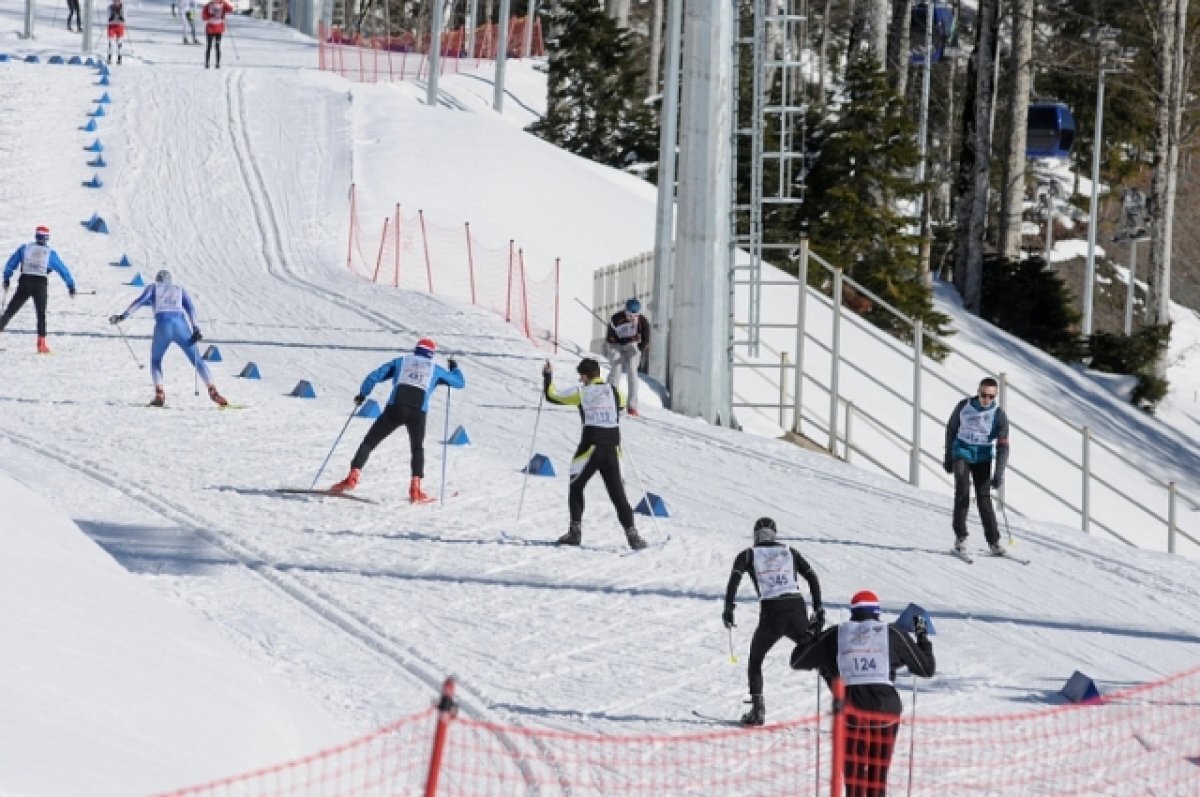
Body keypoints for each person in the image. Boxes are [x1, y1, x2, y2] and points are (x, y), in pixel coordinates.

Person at [791, 590, 935, 797]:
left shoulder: (836, 633)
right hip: (886, 709)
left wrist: (812, 632)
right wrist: (922, 637)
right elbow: (926, 668)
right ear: (877, 612)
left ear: (853, 612)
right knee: (877, 777)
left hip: (851, 710)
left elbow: (798, 660)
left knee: (854, 776)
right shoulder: (891, 633)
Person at [329, 338, 465, 502]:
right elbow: (459, 383)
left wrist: (363, 395)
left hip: (395, 408)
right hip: (418, 412)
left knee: (370, 442)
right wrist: (454, 368)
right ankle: (415, 488)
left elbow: (374, 376)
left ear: (416, 350)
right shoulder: (435, 369)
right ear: (431, 354)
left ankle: (352, 476)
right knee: (417, 448)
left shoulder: (401, 361)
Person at [723, 517, 824, 726]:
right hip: (797, 609)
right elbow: (812, 576)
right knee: (819, 655)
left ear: (755, 535)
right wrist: (818, 608)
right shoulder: (789, 551)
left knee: (756, 658)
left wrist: (728, 609)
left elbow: (734, 579)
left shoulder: (749, 554)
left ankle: (758, 709)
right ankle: (848, 704)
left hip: (772, 612)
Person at [543, 357, 646, 550]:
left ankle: (575, 532)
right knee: (618, 495)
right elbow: (621, 407)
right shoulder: (615, 391)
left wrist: (547, 375)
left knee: (576, 486)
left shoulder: (581, 392)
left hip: (590, 448)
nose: (581, 381)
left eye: (581, 377)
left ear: (584, 376)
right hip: (613, 449)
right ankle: (633, 536)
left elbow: (552, 396)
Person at [109, 270, 229, 408]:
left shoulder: (153, 288)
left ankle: (160, 393)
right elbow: (191, 309)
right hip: (181, 326)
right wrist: (196, 328)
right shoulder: (179, 289)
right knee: (197, 359)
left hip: (162, 325)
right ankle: (212, 389)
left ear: (157, 280)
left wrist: (122, 316)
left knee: (156, 360)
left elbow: (139, 301)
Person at [943, 376, 1010, 556]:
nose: (986, 400)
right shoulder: (964, 406)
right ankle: (960, 538)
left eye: (991, 397)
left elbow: (1003, 446)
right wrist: (948, 456)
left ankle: (994, 542)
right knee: (963, 492)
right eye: (983, 395)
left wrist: (999, 473)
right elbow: (951, 429)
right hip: (962, 453)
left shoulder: (998, 414)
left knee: (984, 498)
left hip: (983, 457)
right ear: (978, 392)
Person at [0, 225, 76, 354]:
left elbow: (11, 263)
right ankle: (41, 344)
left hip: (25, 282)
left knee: (10, 310)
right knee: (41, 314)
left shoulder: (25, 249)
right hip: (40, 284)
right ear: (47, 238)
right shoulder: (50, 253)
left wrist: (6, 278)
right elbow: (62, 270)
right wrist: (70, 286)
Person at [605, 298, 649, 416]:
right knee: (616, 369)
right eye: (629, 315)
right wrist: (619, 339)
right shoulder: (616, 319)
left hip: (631, 345)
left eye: (635, 315)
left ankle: (632, 405)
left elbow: (645, 340)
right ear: (625, 312)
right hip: (615, 345)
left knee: (632, 371)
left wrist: (639, 347)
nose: (631, 318)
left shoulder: (642, 322)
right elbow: (609, 338)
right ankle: (609, 400)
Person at [202, 0, 234, 69]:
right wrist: (210, 16)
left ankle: (217, 63)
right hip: (210, 28)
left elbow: (230, 9)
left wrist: (225, 3)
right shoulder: (208, 5)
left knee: (217, 46)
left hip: (219, 29)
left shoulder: (223, 5)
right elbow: (204, 17)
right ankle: (207, 63)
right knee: (209, 46)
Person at [106, 0, 125, 65]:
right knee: (111, 42)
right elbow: (109, 18)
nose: (116, 3)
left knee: (119, 43)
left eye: (117, 1)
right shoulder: (109, 7)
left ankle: (119, 59)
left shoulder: (123, 8)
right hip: (112, 26)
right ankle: (109, 58)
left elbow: (124, 19)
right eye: (114, 1)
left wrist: (121, 16)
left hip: (120, 27)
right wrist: (112, 16)